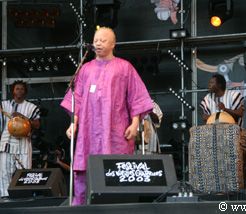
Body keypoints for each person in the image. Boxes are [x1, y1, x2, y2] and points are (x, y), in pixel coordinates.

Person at [61, 27, 153, 205]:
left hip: (116, 131)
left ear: (113, 44)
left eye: (103, 40)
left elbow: (136, 97)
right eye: (96, 40)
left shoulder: (124, 67)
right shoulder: (85, 69)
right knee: (84, 170)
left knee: (116, 170)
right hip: (88, 131)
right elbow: (76, 99)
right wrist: (74, 123)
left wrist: (135, 124)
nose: (98, 43)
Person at [0, 80, 41, 198]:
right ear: (13, 91)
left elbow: (37, 125)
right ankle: (4, 198)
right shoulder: (4, 105)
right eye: (17, 88)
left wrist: (22, 117)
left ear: (26, 92)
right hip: (6, 144)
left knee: (24, 173)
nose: (19, 91)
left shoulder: (31, 107)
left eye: (22, 89)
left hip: (23, 144)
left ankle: (25, 198)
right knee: (4, 174)